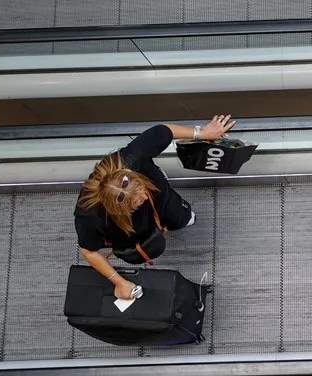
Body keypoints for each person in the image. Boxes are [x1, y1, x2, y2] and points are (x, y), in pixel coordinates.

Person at [74, 115, 235, 300]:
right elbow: (88, 250)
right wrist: (118, 281)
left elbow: (163, 131)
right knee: (141, 246)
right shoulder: (89, 215)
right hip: (129, 233)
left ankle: (177, 212)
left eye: (140, 189)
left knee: (182, 218)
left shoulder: (132, 158)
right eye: (135, 202)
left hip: (162, 200)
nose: (142, 197)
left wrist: (202, 133)